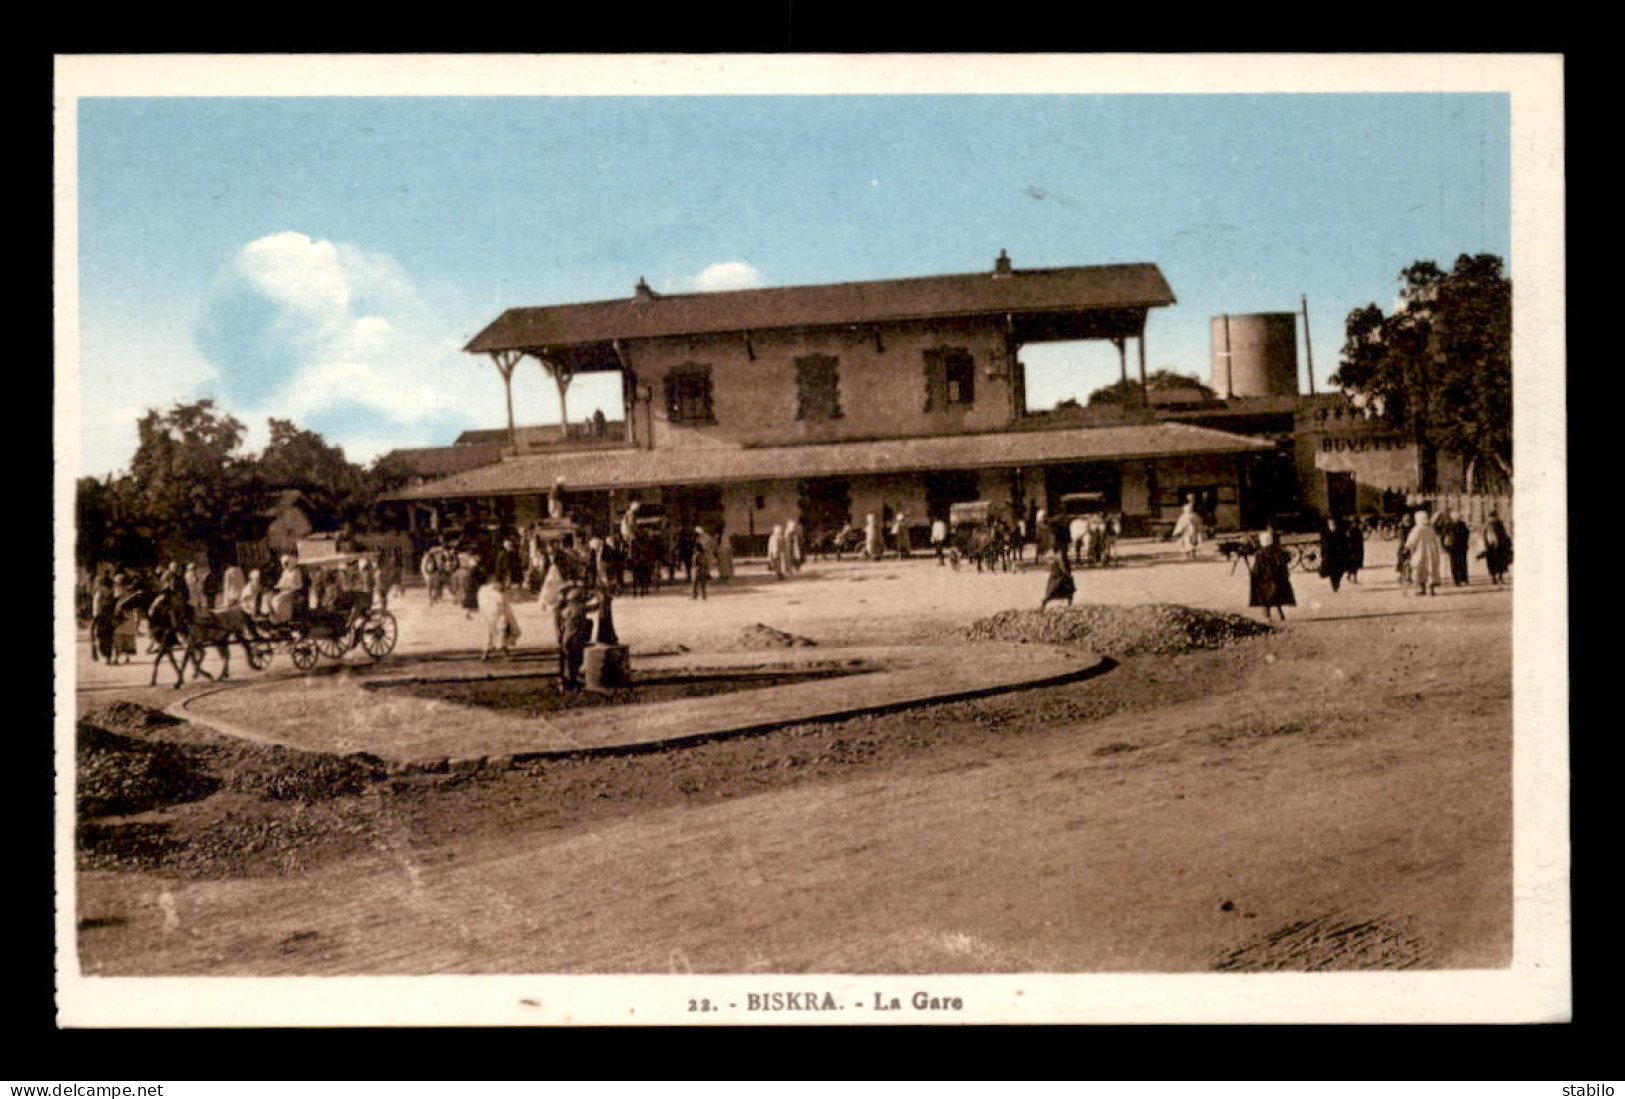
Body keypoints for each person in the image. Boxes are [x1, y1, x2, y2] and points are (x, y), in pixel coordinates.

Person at [1248, 530, 1296, 622]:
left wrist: (1252, 573)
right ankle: (1281, 615)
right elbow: (1287, 558)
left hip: (1265, 579)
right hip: (1277, 578)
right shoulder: (1278, 551)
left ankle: (1268, 616)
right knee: (1277, 598)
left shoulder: (1260, 553)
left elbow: (1258, 568)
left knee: (1264, 598)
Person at [478, 575, 521, 660]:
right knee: (501, 633)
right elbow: (502, 602)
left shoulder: (482, 591)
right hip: (498, 615)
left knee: (489, 633)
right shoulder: (497, 593)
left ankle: (485, 653)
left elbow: (482, 604)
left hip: (487, 616)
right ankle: (505, 653)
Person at [1405, 510, 1443, 596]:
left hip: (1420, 551)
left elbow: (1412, 540)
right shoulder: (1430, 528)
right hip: (1431, 552)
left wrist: (1407, 546)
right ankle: (1431, 589)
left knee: (1420, 568)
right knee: (1431, 568)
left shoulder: (1417, 529)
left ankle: (1423, 588)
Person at [1318, 516, 1351, 592]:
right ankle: (1334, 584)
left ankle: (1337, 582)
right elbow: (1322, 544)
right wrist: (1323, 553)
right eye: (1330, 523)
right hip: (1329, 556)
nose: (1332, 525)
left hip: (1339, 555)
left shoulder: (1341, 532)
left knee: (1339, 571)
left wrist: (1345, 553)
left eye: (1333, 524)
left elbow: (1345, 543)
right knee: (1332, 572)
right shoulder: (1325, 532)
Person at [1440, 510, 1471, 586]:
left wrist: (1444, 546)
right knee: (1456, 564)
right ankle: (1457, 580)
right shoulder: (1449, 525)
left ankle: (1462, 579)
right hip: (1454, 547)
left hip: (1459, 547)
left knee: (1461, 563)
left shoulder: (1461, 524)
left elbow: (1467, 534)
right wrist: (1444, 546)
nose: (1457, 518)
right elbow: (1443, 536)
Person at [1482, 510, 1513, 584]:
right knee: (1492, 563)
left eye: (1493, 517)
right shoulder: (1487, 525)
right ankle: (1494, 578)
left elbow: (1504, 535)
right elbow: (1484, 536)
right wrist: (1485, 545)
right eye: (1491, 517)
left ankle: (1500, 577)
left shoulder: (1500, 524)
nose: (1492, 519)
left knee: (1500, 563)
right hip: (1490, 548)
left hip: (1499, 547)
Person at [690, 536, 711, 600]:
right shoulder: (704, 555)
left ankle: (694, 596)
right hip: (703, 570)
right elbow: (706, 563)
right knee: (703, 585)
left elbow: (694, 564)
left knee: (694, 584)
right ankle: (704, 596)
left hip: (697, 570)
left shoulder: (696, 555)